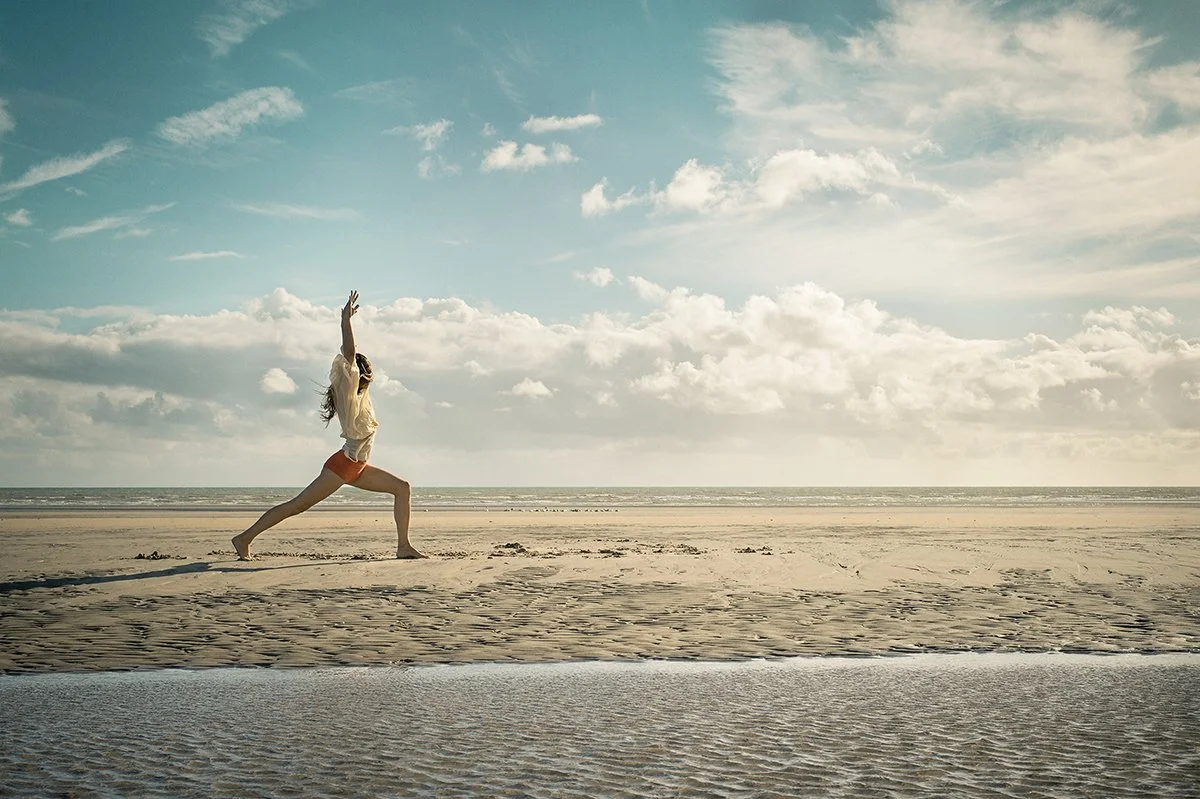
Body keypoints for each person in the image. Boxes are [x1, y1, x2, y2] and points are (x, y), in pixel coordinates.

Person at [232, 290, 426, 561]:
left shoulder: (359, 397)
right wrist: (345, 321)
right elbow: (349, 353)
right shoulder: (348, 386)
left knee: (402, 488)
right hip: (343, 465)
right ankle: (244, 538)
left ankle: (403, 546)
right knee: (297, 506)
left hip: (357, 467)